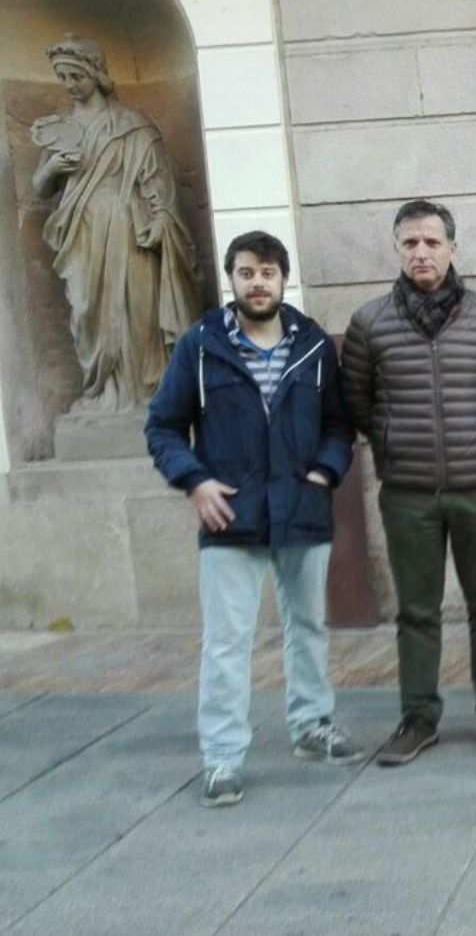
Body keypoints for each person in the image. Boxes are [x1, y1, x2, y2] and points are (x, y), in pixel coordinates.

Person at [145, 231, 359, 807]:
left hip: (302, 512)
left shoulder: (313, 344)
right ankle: (221, 758)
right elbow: (162, 425)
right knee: (226, 643)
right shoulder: (200, 346)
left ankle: (313, 728)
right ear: (231, 279)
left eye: (267, 272)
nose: (257, 282)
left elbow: (341, 425)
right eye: (246, 272)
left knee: (308, 629)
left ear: (283, 278)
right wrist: (194, 480)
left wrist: (324, 472)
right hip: (229, 518)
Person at [342, 200, 476, 765]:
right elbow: (359, 404)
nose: (421, 253)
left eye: (432, 242)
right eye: (410, 243)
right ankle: (418, 718)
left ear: (452, 248)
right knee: (416, 612)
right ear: (397, 250)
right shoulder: (369, 323)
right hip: (408, 494)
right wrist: (398, 448)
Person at [31, 36, 201, 413]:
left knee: (137, 313)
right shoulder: (59, 129)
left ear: (95, 73)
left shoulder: (132, 125)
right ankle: (101, 392)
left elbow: (157, 183)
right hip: (82, 235)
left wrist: (160, 219)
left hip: (129, 230)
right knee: (87, 309)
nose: (70, 84)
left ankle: (143, 394)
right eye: (62, 77)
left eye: (76, 75)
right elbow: (40, 189)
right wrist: (52, 168)